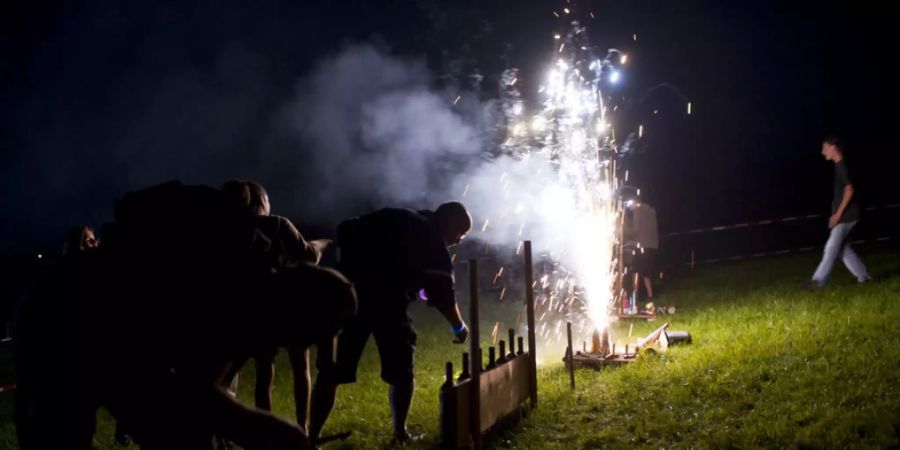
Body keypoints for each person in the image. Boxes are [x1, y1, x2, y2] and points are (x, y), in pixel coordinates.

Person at [309, 202, 472, 445]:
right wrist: (459, 327)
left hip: (349, 298)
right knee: (402, 371)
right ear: (448, 223)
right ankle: (400, 433)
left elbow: (346, 228)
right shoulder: (434, 243)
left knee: (331, 371)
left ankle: (311, 436)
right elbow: (443, 297)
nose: (458, 241)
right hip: (389, 303)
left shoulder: (401, 215)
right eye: (459, 234)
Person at [221, 180, 328, 431]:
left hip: (248, 309)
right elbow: (308, 256)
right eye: (268, 200)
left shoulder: (229, 229)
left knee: (264, 373)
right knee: (300, 368)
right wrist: (321, 244)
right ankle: (303, 428)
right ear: (261, 202)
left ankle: (264, 432)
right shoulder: (278, 224)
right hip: (286, 306)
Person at [808, 136, 871, 289]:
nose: (823, 152)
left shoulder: (841, 166)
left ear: (833, 147)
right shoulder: (840, 165)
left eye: (825, 148)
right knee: (844, 250)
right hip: (849, 215)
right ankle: (864, 277)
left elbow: (849, 190)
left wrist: (838, 214)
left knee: (830, 248)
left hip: (846, 216)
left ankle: (817, 281)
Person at [626, 197, 659, 304]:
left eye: (630, 204)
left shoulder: (637, 211)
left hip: (642, 245)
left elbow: (635, 231)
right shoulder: (651, 211)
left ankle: (634, 297)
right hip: (653, 245)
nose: (629, 207)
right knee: (646, 272)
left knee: (635, 271)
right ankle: (650, 295)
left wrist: (625, 229)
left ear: (636, 202)